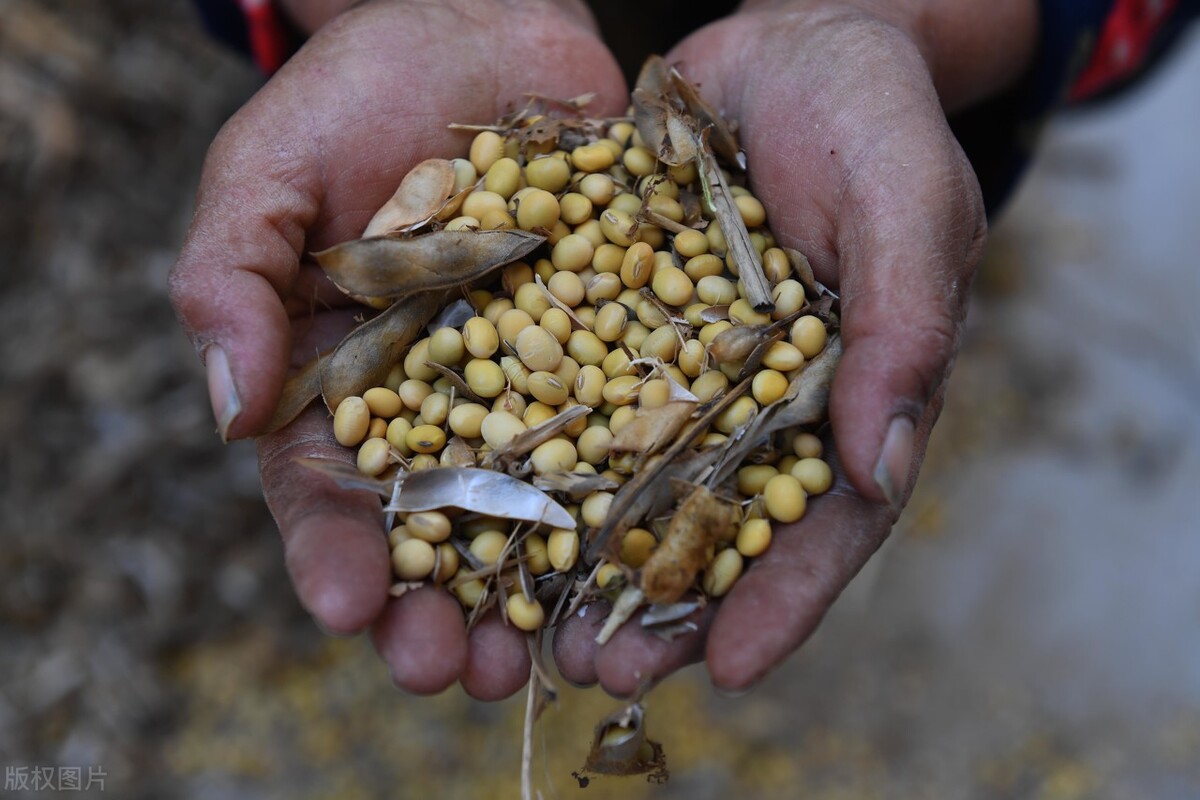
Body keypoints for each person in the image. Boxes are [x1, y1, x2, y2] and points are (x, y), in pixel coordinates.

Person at [171, 0, 1198, 700]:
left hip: (824, 102)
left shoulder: (671, 290)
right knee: (862, 269)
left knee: (892, 244)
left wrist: (886, 17)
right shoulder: (525, 274)